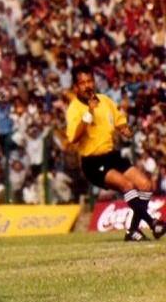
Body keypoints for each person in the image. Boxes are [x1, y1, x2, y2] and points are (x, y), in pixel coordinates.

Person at [65, 64, 165, 241]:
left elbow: (121, 123)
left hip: (112, 156)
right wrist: (89, 112)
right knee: (127, 185)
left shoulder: (105, 101)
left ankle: (132, 230)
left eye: (90, 81)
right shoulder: (75, 108)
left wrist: (126, 130)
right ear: (76, 87)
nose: (87, 86)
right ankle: (152, 222)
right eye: (83, 83)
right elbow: (73, 137)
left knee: (146, 185)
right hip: (93, 162)